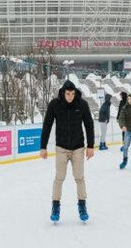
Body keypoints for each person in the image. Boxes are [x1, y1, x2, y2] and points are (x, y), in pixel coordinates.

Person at [40, 80, 95, 223]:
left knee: (79, 178)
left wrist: (90, 146)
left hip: (78, 148)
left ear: (75, 93)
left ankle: (82, 206)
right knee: (59, 178)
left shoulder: (82, 104)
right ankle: (55, 207)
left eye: (72, 94)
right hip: (61, 148)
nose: (70, 96)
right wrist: (43, 147)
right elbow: (47, 125)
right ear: (63, 93)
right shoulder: (55, 105)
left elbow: (89, 124)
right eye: (68, 94)